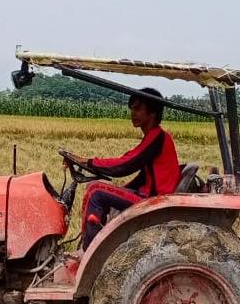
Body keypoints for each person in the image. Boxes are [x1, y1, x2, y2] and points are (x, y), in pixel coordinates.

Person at [62, 88, 180, 251]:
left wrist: (88, 162)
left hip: (154, 200)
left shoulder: (157, 137)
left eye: (138, 108)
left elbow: (125, 165)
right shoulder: (155, 137)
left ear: (152, 112)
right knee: (98, 189)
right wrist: (119, 189)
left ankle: (87, 251)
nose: (133, 113)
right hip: (153, 197)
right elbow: (140, 172)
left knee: (95, 190)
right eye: (132, 108)